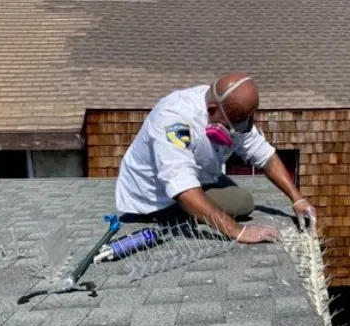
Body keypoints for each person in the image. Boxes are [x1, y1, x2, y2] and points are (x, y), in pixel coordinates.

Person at [115, 72, 315, 243]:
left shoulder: (229, 110)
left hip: (200, 175)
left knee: (228, 194)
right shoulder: (174, 120)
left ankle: (199, 208)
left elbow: (266, 157)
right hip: (154, 199)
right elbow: (182, 189)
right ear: (211, 110)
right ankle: (181, 214)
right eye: (236, 121)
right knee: (242, 202)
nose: (241, 127)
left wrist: (297, 199)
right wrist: (239, 231)